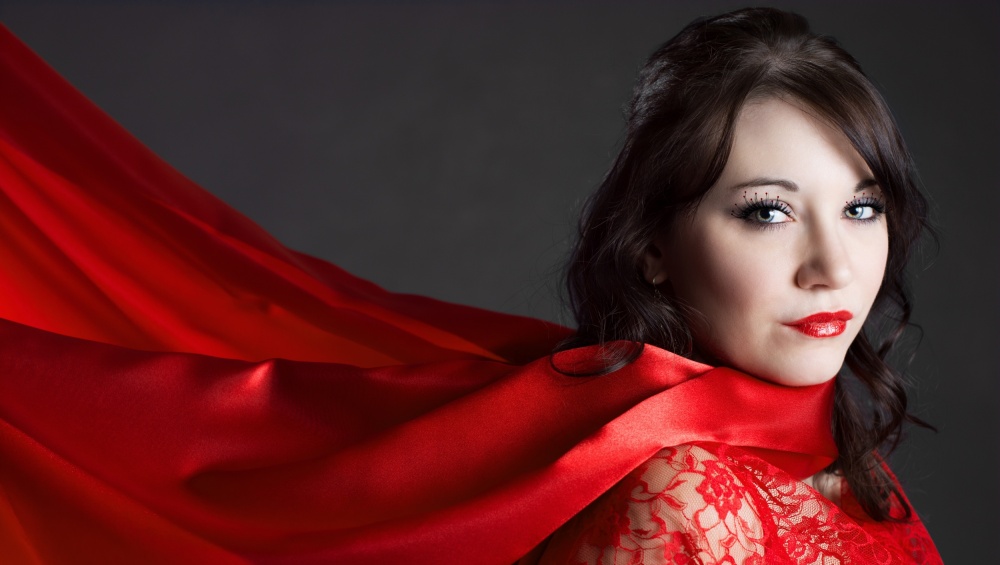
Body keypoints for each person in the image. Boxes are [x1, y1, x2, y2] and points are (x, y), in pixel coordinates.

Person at [0, 7, 940, 565]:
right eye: (767, 211)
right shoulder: (686, 493)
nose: (833, 264)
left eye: (861, 207)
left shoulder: (854, 470)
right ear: (655, 246)